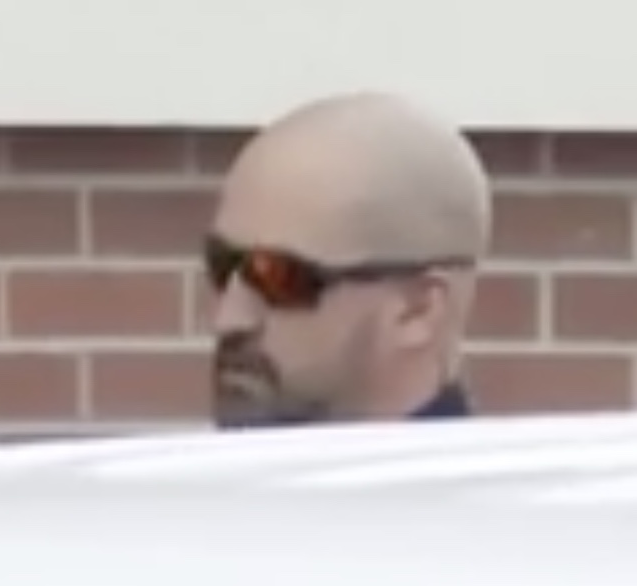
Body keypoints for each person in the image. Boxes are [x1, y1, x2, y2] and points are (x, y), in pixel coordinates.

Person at [205, 91, 493, 428]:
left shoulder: (474, 480)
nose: (228, 319)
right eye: (221, 266)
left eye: (278, 279)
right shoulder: (200, 477)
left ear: (418, 311)